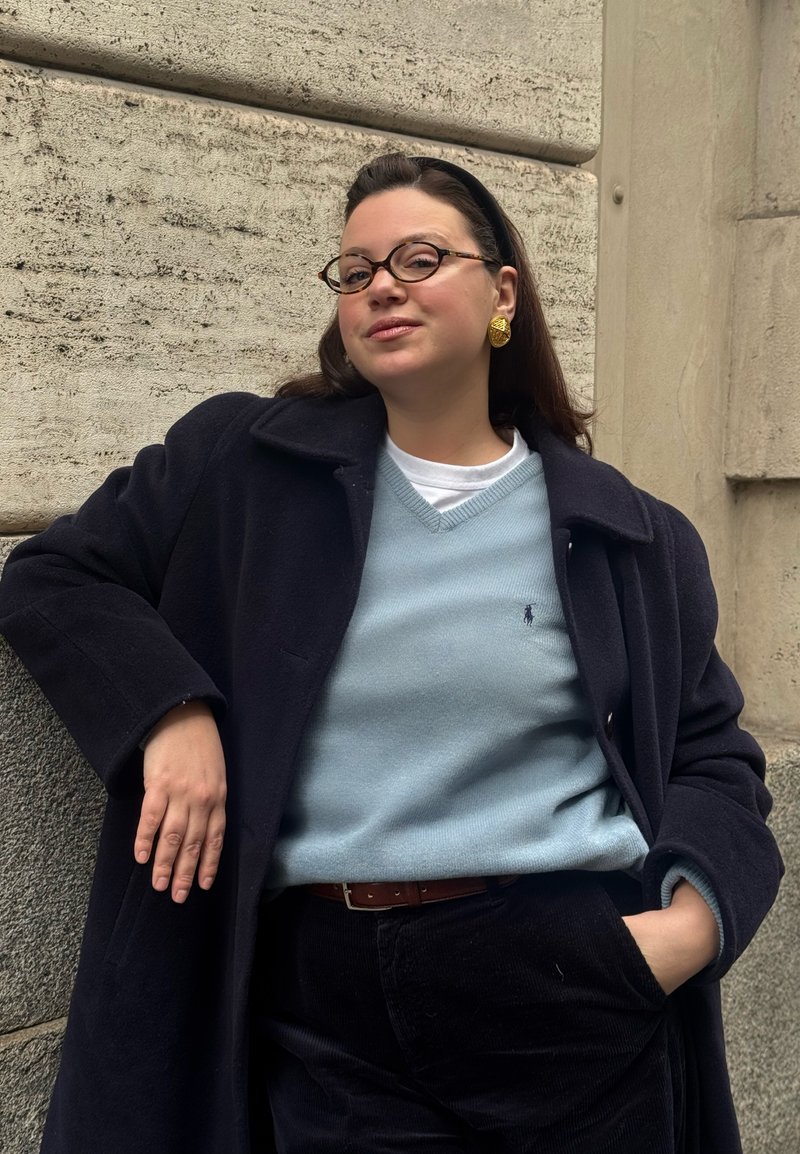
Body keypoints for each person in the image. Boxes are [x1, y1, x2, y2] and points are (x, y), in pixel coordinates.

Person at [0, 153, 783, 1154]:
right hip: (324, 996)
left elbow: (712, 760)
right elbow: (54, 575)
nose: (380, 287)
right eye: (356, 269)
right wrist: (168, 709)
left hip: (569, 974)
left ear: (502, 291)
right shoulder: (242, 466)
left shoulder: (630, 533)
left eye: (418, 258)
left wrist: (676, 936)